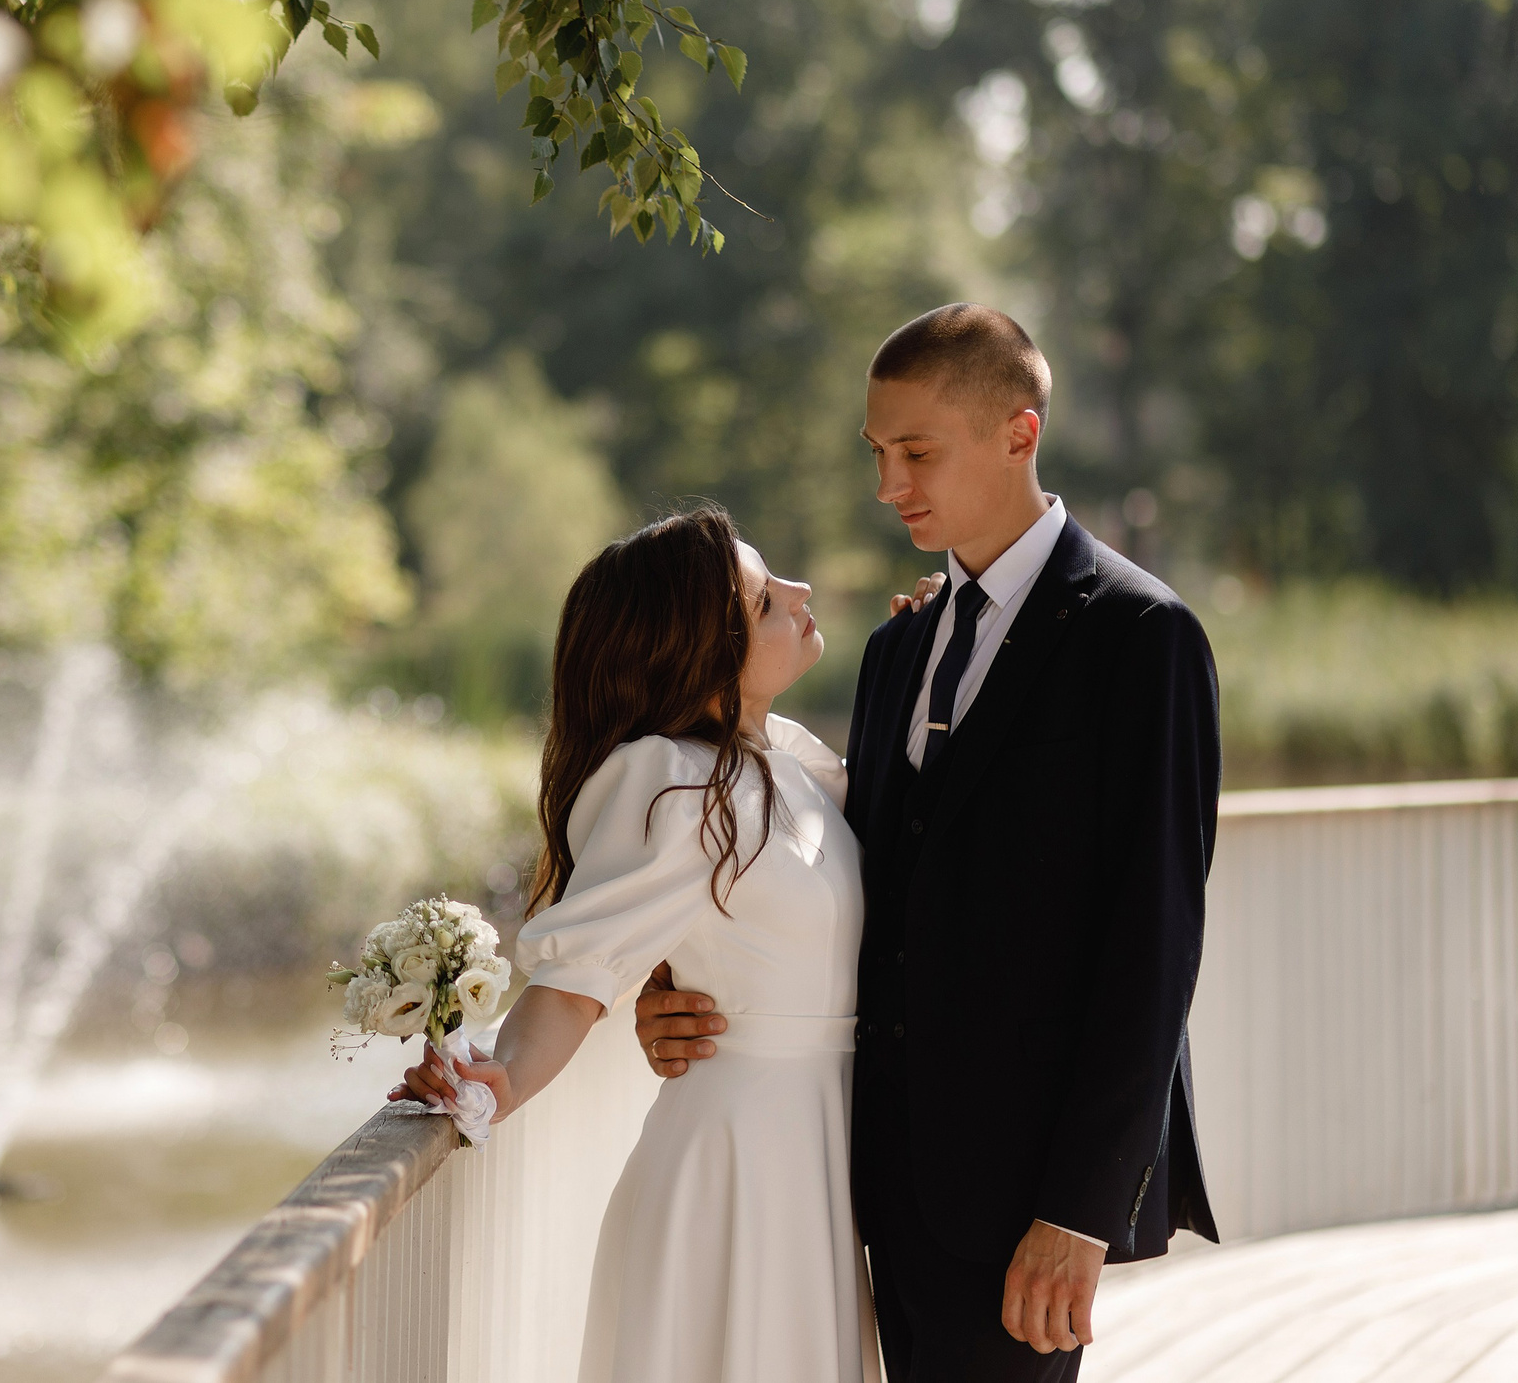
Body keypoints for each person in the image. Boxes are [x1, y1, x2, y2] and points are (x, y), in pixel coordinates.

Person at [637, 304, 1222, 1381]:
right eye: (877, 453)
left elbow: (1154, 946)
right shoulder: (897, 646)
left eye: (916, 451)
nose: (888, 484)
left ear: (1018, 431)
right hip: (863, 1184)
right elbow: (850, 874)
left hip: (1022, 1207)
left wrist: (1079, 1212)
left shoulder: (1142, 639)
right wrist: (671, 973)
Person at [393, 505, 879, 1383]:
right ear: (701, 657)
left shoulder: (796, 764)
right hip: (739, 1168)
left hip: (824, 1154)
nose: (802, 594)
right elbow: (578, 981)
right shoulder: (669, 783)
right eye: (768, 598)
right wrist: (498, 1084)